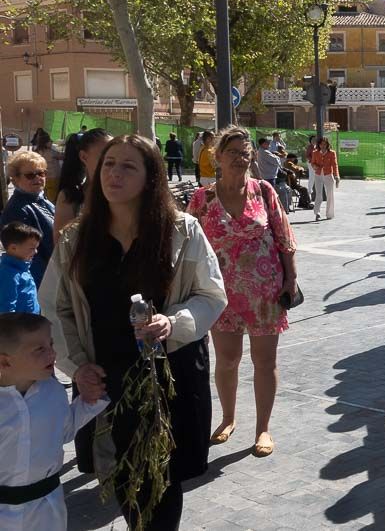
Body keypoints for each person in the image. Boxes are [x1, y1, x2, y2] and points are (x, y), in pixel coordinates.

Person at [39, 135, 227, 530]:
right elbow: (54, 308)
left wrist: (174, 323)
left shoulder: (182, 230)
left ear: (151, 177)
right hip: (106, 377)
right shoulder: (77, 238)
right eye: (109, 165)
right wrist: (76, 367)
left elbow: (211, 295)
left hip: (170, 377)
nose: (114, 174)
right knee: (120, 471)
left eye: (128, 166)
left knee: (165, 477)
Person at [187, 127, 297, 458]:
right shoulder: (202, 199)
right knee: (228, 360)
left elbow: (284, 238)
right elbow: (186, 245)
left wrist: (291, 279)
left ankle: (263, 427)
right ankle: (228, 418)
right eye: (232, 151)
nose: (240, 157)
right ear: (216, 157)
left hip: (265, 293)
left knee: (265, 360)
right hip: (221, 296)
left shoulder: (264, 191)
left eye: (245, 151)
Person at [0, 312, 108, 530]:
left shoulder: (53, 392)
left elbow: (64, 431)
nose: (52, 353)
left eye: (50, 344)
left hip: (46, 508)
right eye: (39, 349)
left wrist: (87, 402)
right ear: (5, 361)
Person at [1, 151, 56, 287]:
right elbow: (25, 254)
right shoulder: (17, 209)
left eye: (41, 173)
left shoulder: (40, 199)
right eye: (30, 175)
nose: (38, 178)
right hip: (40, 281)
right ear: (15, 179)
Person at [53, 128, 114, 243]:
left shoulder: (120, 192)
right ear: (84, 157)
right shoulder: (70, 197)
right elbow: (61, 245)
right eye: (104, 156)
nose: (111, 162)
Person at [1, 222, 42, 314]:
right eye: (32, 248)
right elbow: (6, 309)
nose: (35, 252)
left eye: (36, 248)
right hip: (21, 326)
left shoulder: (23, 269)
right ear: (13, 248)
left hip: (31, 323)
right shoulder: (8, 274)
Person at [310, 136, 339, 221]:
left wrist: (337, 175)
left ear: (327, 145)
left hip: (328, 175)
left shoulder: (332, 153)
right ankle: (317, 213)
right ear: (319, 144)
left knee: (330, 195)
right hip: (318, 175)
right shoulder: (315, 152)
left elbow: (335, 165)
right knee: (318, 194)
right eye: (321, 144)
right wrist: (315, 166)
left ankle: (329, 214)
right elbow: (312, 163)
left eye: (325, 144)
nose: (323, 146)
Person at [31, 130, 62, 202]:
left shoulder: (37, 151)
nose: (52, 142)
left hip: (43, 176)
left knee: (44, 194)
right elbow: (62, 156)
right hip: (53, 177)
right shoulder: (51, 152)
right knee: (52, 197)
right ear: (45, 143)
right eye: (50, 141)